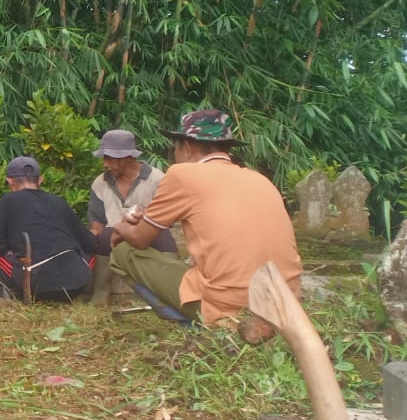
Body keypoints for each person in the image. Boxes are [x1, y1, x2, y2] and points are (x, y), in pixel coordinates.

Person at [112, 110, 303, 340]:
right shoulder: (260, 179)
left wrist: (120, 228)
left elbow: (139, 239)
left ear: (187, 147)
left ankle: (198, 326)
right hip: (285, 304)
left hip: (229, 306)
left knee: (122, 252)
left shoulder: (183, 174)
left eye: (175, 148)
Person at [0, 156, 96, 302]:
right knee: (92, 245)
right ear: (40, 180)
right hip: (76, 284)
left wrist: (11, 250)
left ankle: (18, 291)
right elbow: (91, 244)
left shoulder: (9, 201)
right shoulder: (59, 202)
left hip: (35, 286)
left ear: (10, 182)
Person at [86, 129, 176, 303]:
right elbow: (97, 222)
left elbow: (167, 218)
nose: (105, 164)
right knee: (103, 236)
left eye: (110, 158)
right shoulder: (100, 183)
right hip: (112, 238)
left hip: (147, 233)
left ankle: (169, 293)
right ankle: (100, 294)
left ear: (128, 157)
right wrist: (90, 238)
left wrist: (142, 221)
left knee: (166, 238)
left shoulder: (157, 179)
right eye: (104, 158)